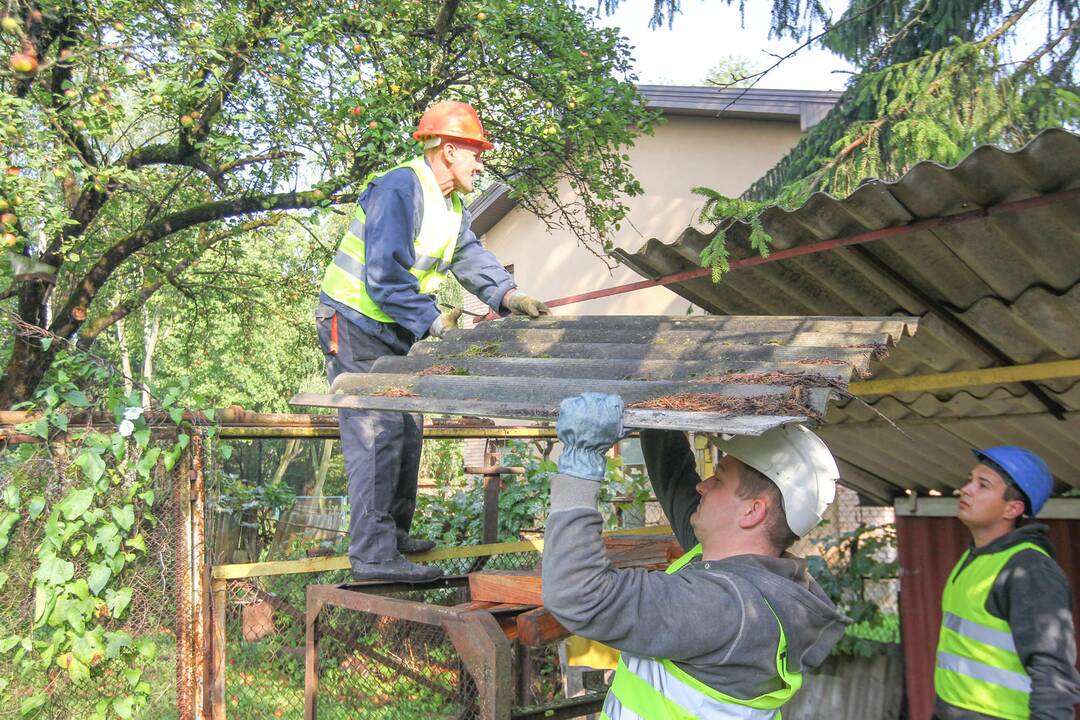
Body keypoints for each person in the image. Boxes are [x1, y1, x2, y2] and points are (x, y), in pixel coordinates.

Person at [316, 100, 550, 582]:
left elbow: (471, 258)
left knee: (407, 427)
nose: (481, 164)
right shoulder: (401, 186)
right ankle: (374, 556)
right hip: (354, 321)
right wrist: (437, 325)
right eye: (475, 153)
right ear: (447, 150)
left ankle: (393, 538)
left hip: (393, 328)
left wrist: (511, 296)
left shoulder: (451, 207)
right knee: (376, 429)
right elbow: (382, 276)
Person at [542, 393, 850, 718]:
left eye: (719, 478)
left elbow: (578, 595)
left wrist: (581, 462)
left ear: (752, 511)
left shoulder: (726, 609)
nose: (702, 487)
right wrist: (653, 410)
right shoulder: (753, 581)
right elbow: (677, 480)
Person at [934, 446, 1080, 720]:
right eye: (969, 480)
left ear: (1013, 508)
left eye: (983, 485)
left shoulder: (1030, 570)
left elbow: (1052, 669)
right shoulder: (976, 555)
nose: (966, 489)